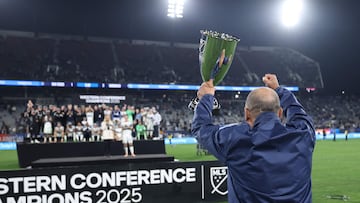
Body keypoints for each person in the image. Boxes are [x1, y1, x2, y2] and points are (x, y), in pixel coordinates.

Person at [192, 74, 315, 203]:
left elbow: (201, 128)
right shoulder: (303, 135)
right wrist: (278, 89)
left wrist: (206, 98)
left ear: (246, 113)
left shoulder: (235, 139)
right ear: (279, 113)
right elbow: (298, 112)